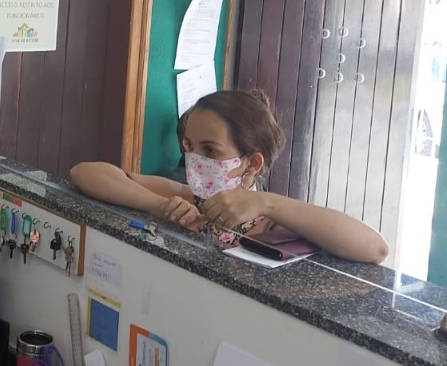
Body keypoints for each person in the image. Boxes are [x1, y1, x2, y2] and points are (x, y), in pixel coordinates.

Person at [70, 89, 389, 264]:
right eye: (189, 146)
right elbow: (85, 173)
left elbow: (375, 248)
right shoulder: (185, 197)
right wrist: (158, 205)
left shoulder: (275, 226)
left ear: (252, 164)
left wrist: (266, 203)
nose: (195, 158)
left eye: (210, 150)